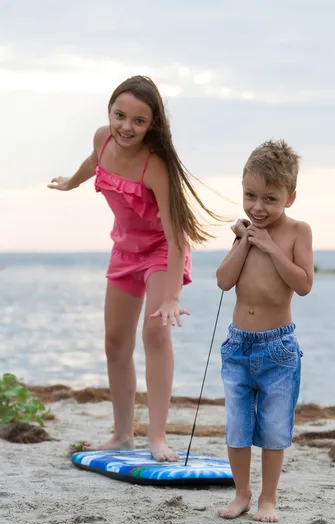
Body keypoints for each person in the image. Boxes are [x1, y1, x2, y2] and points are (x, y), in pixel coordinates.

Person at [48, 75, 221, 461]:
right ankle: (122, 434)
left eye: (138, 121)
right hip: (125, 250)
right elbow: (92, 163)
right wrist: (71, 183)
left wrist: (173, 296)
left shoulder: (156, 166)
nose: (126, 127)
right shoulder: (102, 139)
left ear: (152, 125)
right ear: (109, 113)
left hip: (162, 251)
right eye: (119, 116)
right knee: (114, 342)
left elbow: (177, 239)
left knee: (156, 333)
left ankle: (157, 437)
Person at [216, 139, 314, 521]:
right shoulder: (246, 233)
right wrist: (243, 240)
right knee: (237, 426)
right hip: (238, 345)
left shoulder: (297, 232)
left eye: (270, 199)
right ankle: (241, 494)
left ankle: (267, 499)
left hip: (277, 348)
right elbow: (224, 281)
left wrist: (272, 247)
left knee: (274, 428)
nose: (258, 207)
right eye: (250, 195)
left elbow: (304, 284)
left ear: (289, 197)